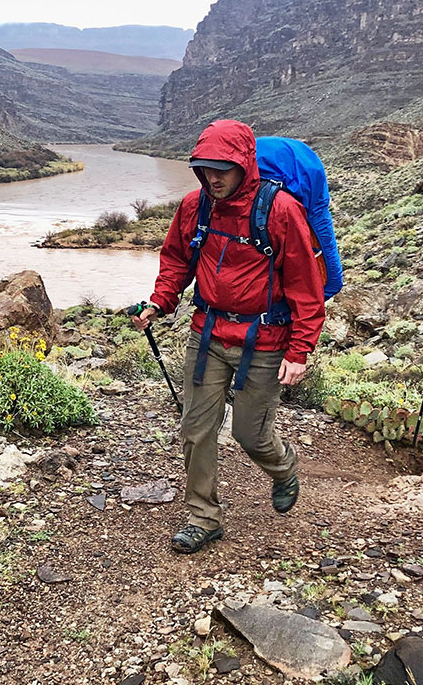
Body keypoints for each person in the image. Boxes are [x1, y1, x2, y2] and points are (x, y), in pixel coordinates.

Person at [132, 119, 326, 554]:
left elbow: (306, 288)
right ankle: (203, 516)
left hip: (265, 340)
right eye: (204, 168)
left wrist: (300, 351)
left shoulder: (280, 211)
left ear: (243, 164)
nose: (213, 177)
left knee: (250, 435)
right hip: (207, 335)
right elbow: (177, 260)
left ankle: (283, 466)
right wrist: (159, 302)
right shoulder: (194, 207)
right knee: (195, 429)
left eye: (222, 167)